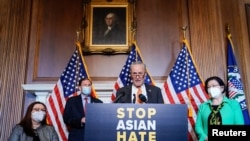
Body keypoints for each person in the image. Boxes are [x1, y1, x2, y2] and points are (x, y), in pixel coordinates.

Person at [195, 76, 244, 141]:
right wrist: (205, 137)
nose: (211, 89)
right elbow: (198, 126)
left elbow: (239, 124)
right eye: (208, 87)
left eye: (214, 86)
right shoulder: (203, 106)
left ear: (222, 88)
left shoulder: (233, 104)